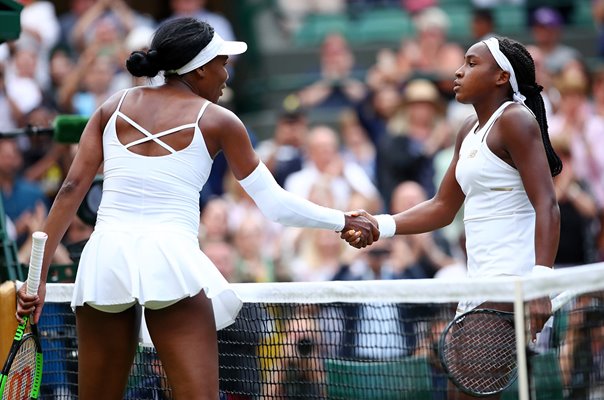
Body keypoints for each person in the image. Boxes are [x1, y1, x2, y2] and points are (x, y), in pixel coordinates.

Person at [15, 17, 378, 400]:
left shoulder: (112, 107)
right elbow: (273, 203)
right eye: (222, 63)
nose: (226, 74)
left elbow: (71, 188)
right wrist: (341, 218)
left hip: (105, 259)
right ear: (200, 68)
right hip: (171, 264)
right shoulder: (221, 121)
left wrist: (35, 277)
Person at [342, 35, 563, 399]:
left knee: (464, 393)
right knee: (457, 391)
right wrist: (381, 224)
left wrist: (540, 281)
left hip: (512, 283)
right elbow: (443, 207)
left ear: (501, 77)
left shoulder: (516, 120)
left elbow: (547, 204)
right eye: (462, 62)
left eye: (472, 63)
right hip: (477, 283)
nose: (458, 71)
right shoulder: (467, 130)